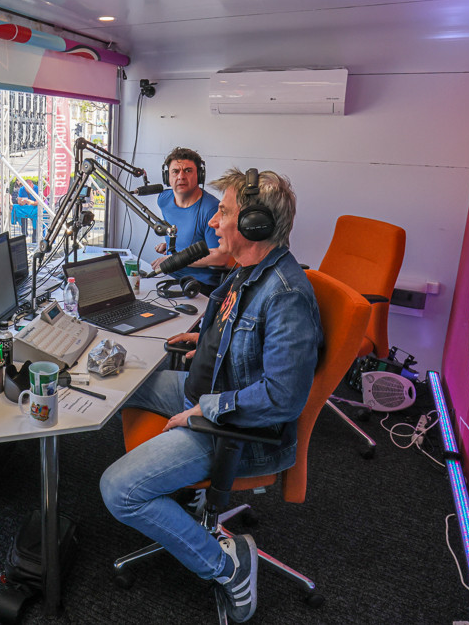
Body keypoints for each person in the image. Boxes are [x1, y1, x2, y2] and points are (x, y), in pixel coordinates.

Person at [99, 168, 322, 624]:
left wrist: (206, 409)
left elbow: (283, 397)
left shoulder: (286, 296)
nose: (214, 222)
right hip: (204, 393)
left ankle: (228, 568)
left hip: (232, 428)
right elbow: (234, 328)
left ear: (255, 225)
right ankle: (184, 496)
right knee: (125, 383)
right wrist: (201, 339)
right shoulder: (248, 271)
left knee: (118, 491)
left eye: (224, 212)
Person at [152, 148, 231, 294]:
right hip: (171, 277)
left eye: (188, 171)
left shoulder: (211, 209)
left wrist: (173, 259)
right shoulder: (163, 200)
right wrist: (170, 245)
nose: (181, 176)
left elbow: (220, 257)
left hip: (199, 285)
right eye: (175, 171)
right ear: (167, 177)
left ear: (199, 176)